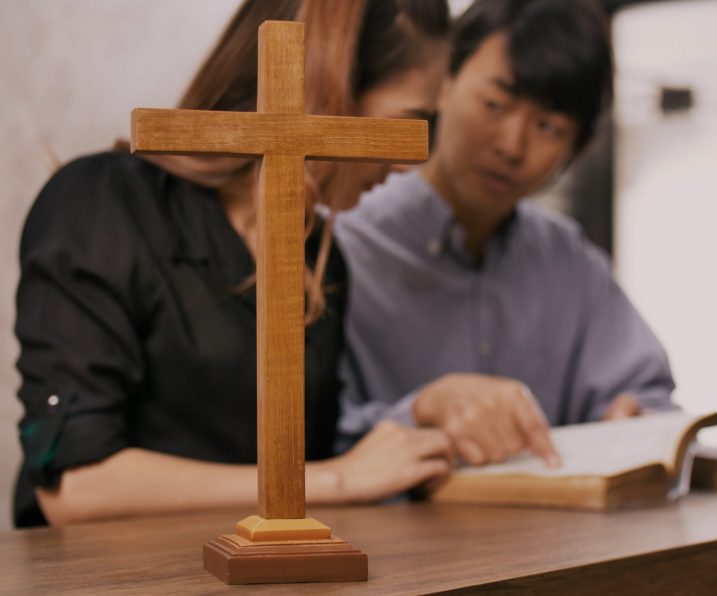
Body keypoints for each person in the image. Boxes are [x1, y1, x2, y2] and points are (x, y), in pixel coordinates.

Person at [13, 0, 451, 528]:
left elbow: (312, 450)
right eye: (412, 120)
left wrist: (417, 421)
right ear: (327, 88)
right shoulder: (104, 203)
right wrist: (339, 480)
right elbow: (74, 487)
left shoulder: (319, 261)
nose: (409, 162)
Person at [335, 0, 676, 467]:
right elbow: (300, 438)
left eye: (548, 127)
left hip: (551, 537)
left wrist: (635, 420)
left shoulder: (568, 262)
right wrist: (418, 415)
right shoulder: (342, 241)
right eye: (495, 104)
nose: (512, 145)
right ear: (442, 82)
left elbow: (649, 400)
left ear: (575, 149)